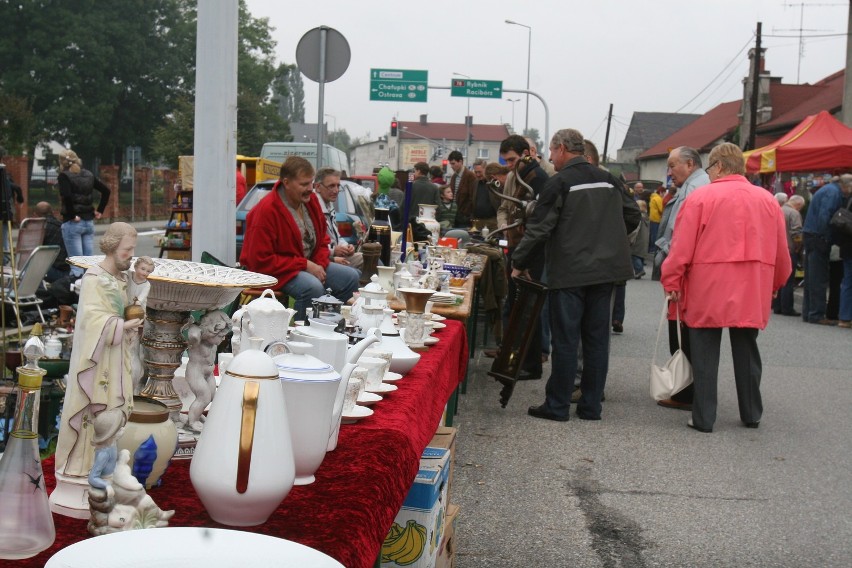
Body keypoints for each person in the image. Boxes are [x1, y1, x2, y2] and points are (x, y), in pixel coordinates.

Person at [661, 143, 791, 433]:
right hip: (751, 288)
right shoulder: (768, 200)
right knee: (747, 350)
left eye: (709, 167)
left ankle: (704, 417)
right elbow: (782, 252)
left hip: (708, 287)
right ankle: (751, 412)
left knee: (705, 354)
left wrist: (671, 281)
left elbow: (681, 250)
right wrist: (776, 283)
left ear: (718, 166)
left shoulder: (701, 198)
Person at [514, 128, 640, 421]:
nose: (551, 158)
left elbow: (540, 227)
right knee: (597, 340)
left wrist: (518, 262)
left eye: (552, 152)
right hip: (606, 271)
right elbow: (633, 215)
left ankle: (557, 405)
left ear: (560, 148)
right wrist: (608, 236)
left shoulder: (560, 182)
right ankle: (591, 406)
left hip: (570, 271)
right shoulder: (610, 180)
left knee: (567, 339)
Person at [53, 222, 143, 514]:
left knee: (112, 417)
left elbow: (128, 304)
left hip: (115, 359)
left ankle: (103, 475)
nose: (131, 255)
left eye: (132, 250)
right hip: (97, 361)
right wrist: (121, 324)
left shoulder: (121, 277)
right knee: (92, 414)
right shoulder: (95, 278)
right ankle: (79, 474)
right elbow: (92, 321)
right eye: (127, 250)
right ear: (113, 246)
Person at [239, 157, 359, 321]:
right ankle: (304, 336)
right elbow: (260, 261)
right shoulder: (266, 211)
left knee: (350, 277)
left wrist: (318, 264)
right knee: (312, 287)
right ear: (286, 183)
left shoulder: (311, 201)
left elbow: (323, 239)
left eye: (311, 183)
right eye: (304, 184)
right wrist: (305, 265)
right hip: (275, 272)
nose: (310, 189)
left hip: (304, 266)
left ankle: (330, 325)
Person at [654, 146, 710, 411]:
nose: (669, 171)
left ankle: (687, 393)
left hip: (687, 274)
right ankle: (689, 391)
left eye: (672, 165)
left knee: (684, 335)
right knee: (687, 335)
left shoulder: (694, 190)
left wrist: (672, 276)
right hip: (691, 272)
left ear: (689, 164)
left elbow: (681, 237)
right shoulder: (694, 186)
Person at [496, 135, 550, 380]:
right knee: (517, 308)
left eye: (512, 160)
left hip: (531, 253)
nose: (509, 165)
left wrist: (523, 261)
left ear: (527, 153)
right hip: (521, 249)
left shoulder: (538, 178)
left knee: (526, 310)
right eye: (506, 160)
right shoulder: (522, 176)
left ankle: (528, 363)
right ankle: (516, 360)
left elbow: (538, 224)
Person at [801, 173, 852, 324]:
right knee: (818, 277)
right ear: (847, 186)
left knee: (811, 277)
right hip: (819, 237)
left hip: (811, 234)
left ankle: (809, 312)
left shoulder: (828, 189)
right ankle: (817, 314)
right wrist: (829, 237)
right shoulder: (834, 193)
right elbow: (825, 216)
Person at [57, 149, 111, 277]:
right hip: (88, 221)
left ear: (61, 162)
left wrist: (71, 215)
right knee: (88, 264)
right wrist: (100, 210)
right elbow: (106, 191)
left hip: (73, 222)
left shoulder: (64, 176)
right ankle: (89, 292)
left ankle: (75, 295)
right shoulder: (88, 174)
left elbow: (67, 196)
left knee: (76, 265)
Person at [315, 167, 363, 270]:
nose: (336, 190)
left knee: (371, 257)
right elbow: (314, 247)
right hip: (323, 261)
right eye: (331, 186)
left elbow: (337, 237)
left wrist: (347, 246)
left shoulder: (329, 206)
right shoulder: (314, 209)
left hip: (333, 256)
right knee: (354, 275)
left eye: (337, 186)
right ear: (318, 187)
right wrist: (333, 252)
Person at [126, 256, 153, 394]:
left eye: (148, 271)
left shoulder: (146, 285)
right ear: (136, 267)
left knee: (134, 336)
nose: (144, 272)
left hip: (137, 311)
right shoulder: (129, 276)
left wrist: (135, 305)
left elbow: (141, 299)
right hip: (125, 308)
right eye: (142, 269)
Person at [774, 195, 804, 316]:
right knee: (788, 279)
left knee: (779, 277)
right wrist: (798, 246)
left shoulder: (778, 209)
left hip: (776, 249)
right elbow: (796, 233)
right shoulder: (794, 213)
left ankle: (777, 306)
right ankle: (787, 308)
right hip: (789, 249)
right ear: (798, 205)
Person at [34, 201, 70, 283]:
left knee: (32, 263)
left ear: (35, 215)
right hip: (69, 271)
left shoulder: (41, 228)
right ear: (52, 212)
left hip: (55, 272)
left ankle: (36, 291)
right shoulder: (62, 225)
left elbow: (34, 252)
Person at [447, 150, 477, 228]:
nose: (452, 166)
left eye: (453, 163)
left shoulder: (470, 176)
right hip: (454, 215)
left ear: (460, 161)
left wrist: (466, 213)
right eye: (451, 164)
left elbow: (472, 197)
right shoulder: (454, 176)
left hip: (464, 216)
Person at [470, 159, 500, 231]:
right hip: (478, 222)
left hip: (493, 221)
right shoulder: (475, 183)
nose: (477, 174)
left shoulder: (494, 182)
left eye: (479, 172)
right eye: (475, 172)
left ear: (486, 169)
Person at [647, 183, 663, 254]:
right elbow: (661, 209)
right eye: (664, 192)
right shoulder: (658, 198)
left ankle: (650, 248)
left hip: (652, 218)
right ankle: (653, 248)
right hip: (657, 218)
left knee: (652, 234)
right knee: (655, 234)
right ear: (661, 192)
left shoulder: (653, 197)